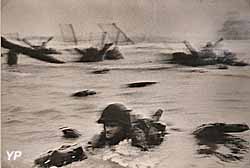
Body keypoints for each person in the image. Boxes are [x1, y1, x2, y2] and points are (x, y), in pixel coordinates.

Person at [86, 103, 166, 151]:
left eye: (112, 126)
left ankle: (155, 117)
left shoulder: (136, 134)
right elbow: (90, 148)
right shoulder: (104, 135)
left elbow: (142, 153)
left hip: (148, 129)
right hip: (131, 121)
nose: (108, 129)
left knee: (153, 124)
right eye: (106, 125)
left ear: (123, 126)